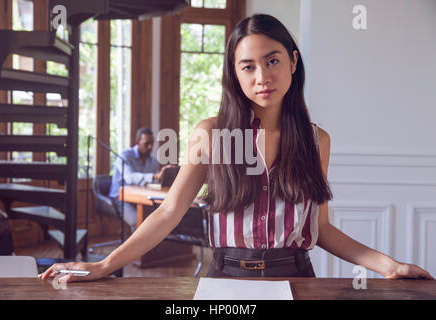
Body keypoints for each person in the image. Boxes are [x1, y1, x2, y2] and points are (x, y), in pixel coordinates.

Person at [39, 14, 433, 282]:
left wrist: (389, 265)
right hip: (227, 277)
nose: (262, 76)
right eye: (247, 66)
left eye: (272, 60)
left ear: (293, 62)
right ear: (235, 74)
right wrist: (105, 265)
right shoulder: (210, 133)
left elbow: (322, 229)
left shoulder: (317, 141)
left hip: (297, 277)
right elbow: (170, 212)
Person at [108, 127, 171, 231]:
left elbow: (152, 183)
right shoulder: (124, 156)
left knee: (161, 218)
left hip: (142, 197)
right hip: (121, 198)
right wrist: (154, 176)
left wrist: (165, 178)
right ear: (137, 142)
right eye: (146, 144)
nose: (150, 147)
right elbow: (129, 178)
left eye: (152, 143)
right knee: (139, 222)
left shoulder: (153, 161)